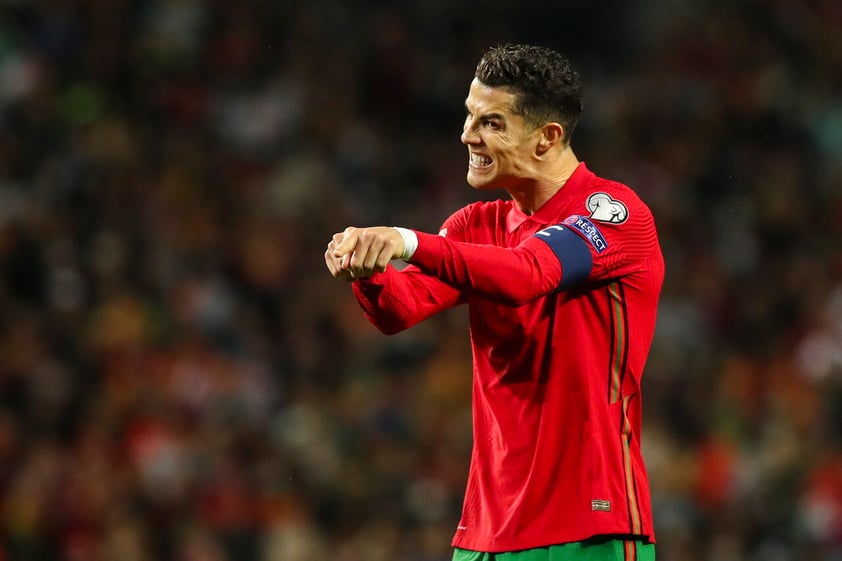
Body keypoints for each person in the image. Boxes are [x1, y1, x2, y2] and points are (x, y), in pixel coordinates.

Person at [325, 43, 664, 561]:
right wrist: (368, 272)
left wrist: (406, 239)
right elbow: (401, 308)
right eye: (469, 115)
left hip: (589, 523)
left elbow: (529, 273)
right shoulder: (476, 225)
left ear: (547, 138)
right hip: (486, 532)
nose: (467, 135)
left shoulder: (614, 213)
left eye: (492, 123)